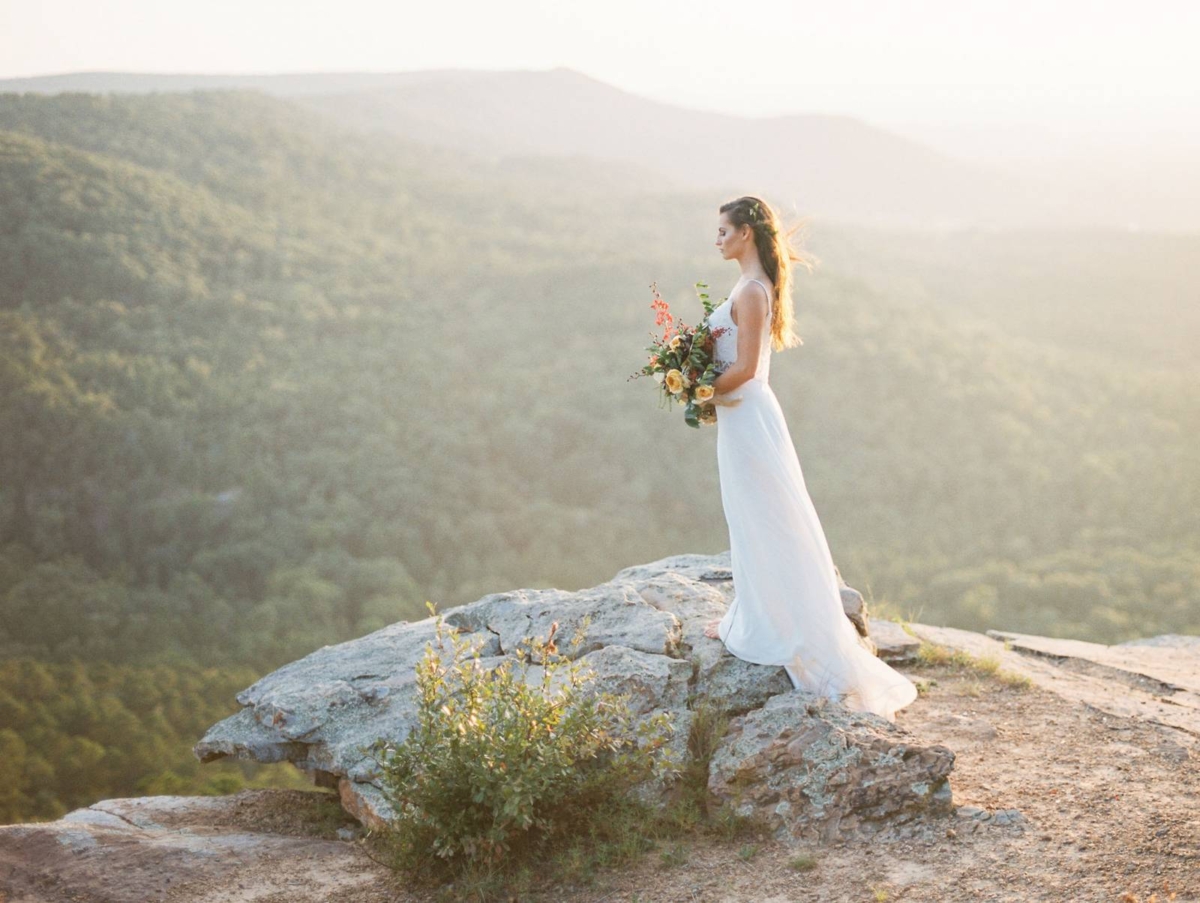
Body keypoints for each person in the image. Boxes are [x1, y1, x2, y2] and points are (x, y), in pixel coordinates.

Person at [699, 195, 918, 723]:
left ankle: (773, 624)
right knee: (751, 515)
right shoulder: (748, 286)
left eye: (724, 230)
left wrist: (699, 391)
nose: (718, 238)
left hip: (747, 414)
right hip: (742, 415)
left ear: (746, 233)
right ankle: (753, 611)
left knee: (765, 517)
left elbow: (747, 368)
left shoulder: (751, 291)